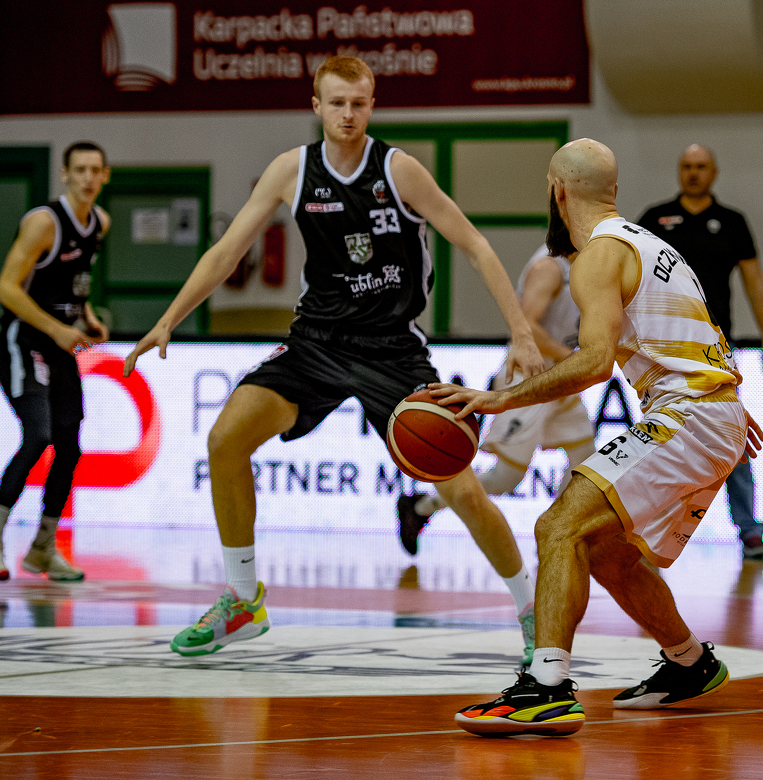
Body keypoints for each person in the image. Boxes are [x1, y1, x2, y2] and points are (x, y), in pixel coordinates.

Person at [122, 55, 546, 664]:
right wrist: (169, 318)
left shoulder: (399, 170)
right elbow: (226, 251)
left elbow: (475, 245)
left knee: (463, 490)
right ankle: (242, 600)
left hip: (392, 349)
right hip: (316, 342)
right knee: (225, 439)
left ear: (372, 105)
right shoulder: (291, 170)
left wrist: (521, 333)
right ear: (316, 105)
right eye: (337, 103)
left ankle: (533, 609)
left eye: (359, 103)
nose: (348, 114)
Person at [438, 139, 763, 737]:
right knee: (607, 552)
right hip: (710, 412)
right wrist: (728, 409)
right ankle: (689, 661)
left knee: (557, 526)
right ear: (613, 191)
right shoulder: (652, 243)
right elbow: (700, 332)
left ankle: (547, 688)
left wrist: (501, 398)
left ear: (556, 191)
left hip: (691, 415)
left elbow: (593, 362)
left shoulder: (595, 257)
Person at [0, 142, 112, 583]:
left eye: (95, 170)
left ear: (105, 176)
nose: (88, 178)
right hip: (25, 339)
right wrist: (56, 328)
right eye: (79, 169)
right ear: (64, 174)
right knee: (39, 435)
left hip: (61, 343)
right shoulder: (43, 223)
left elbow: (75, 281)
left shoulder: (100, 222)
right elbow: (6, 288)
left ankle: (43, 548)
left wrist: (87, 316)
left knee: (69, 446)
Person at [398, 243, 597, 551]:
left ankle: (561, 535)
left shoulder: (589, 260)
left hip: (559, 377)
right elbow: (525, 326)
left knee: (585, 457)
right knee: (506, 478)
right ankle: (422, 506)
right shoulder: (549, 268)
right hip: (531, 377)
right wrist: (571, 357)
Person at [638, 144, 763, 561]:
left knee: (731, 436)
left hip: (717, 351)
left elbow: (755, 281)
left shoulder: (732, 222)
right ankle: (648, 526)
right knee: (658, 435)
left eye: (700, 166)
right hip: (663, 350)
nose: (693, 173)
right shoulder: (654, 219)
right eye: (686, 166)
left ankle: (749, 530)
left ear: (713, 172)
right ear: (678, 171)